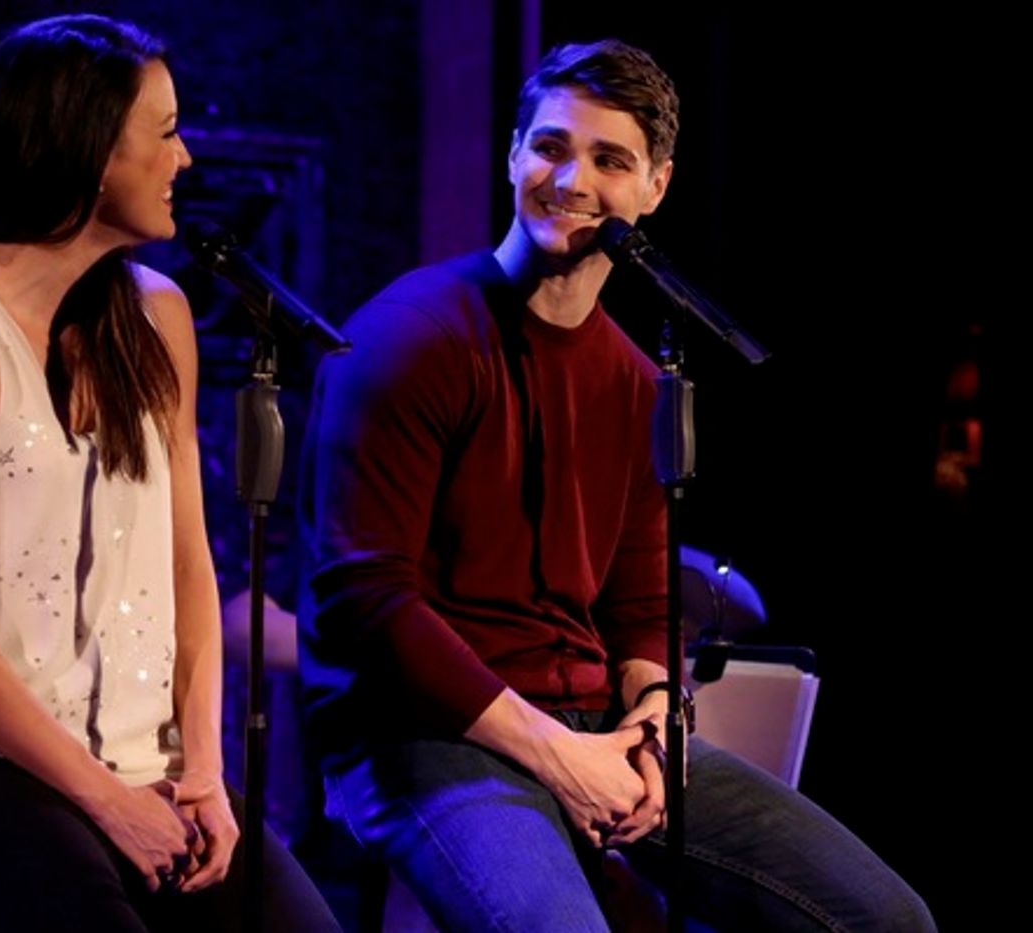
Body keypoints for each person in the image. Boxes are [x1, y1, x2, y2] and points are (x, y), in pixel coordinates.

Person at [298, 38, 934, 932]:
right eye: (551, 146)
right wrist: (559, 753)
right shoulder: (411, 338)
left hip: (593, 720)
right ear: (514, 153)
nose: (571, 179)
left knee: (885, 918)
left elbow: (641, 602)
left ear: (656, 186)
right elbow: (364, 601)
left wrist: (645, 723)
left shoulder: (639, 379)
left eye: (609, 159)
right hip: (426, 731)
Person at [0, 14, 338, 932]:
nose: (187, 159)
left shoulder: (157, 318)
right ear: (88, 154)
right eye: (163, 134)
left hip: (148, 762)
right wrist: (104, 798)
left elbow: (188, 565)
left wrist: (201, 767)